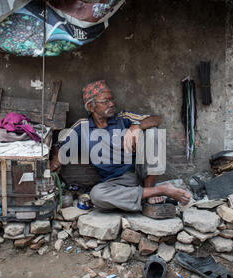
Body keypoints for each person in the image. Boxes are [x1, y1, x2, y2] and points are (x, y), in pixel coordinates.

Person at [50, 80, 191, 212]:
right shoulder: (82, 126)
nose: (111, 104)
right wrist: (57, 157)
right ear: (91, 106)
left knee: (154, 132)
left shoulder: (123, 118)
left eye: (112, 99)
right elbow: (60, 142)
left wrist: (137, 126)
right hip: (114, 183)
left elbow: (156, 119)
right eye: (105, 101)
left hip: (138, 172)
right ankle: (160, 191)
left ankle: (149, 192)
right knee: (97, 196)